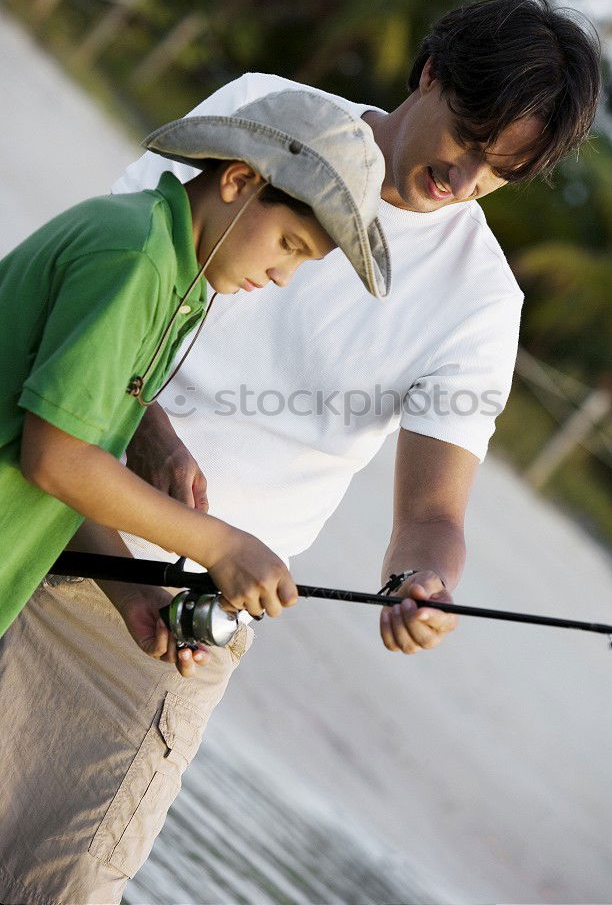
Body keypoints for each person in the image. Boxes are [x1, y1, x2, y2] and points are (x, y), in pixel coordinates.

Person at [0, 0, 601, 905]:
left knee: (65, 882)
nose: (466, 176)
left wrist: (421, 584)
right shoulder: (266, 114)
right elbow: (111, 291)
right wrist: (149, 432)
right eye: (469, 137)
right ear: (432, 72)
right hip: (43, 514)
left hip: (164, 622)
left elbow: (433, 515)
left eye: (500, 170)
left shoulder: (481, 304)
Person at [0, 89, 389, 643]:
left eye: (303, 261)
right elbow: (56, 459)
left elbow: (59, 457)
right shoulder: (133, 257)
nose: (283, 276)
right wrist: (219, 544)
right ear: (238, 180)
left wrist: (136, 594)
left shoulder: (173, 273)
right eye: (288, 243)